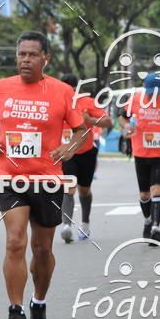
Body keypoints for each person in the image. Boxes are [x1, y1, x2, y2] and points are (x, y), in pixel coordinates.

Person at [0, 32, 87, 319]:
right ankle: (15, 311)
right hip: (9, 177)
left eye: (33, 54)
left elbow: (80, 130)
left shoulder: (61, 91)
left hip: (47, 179)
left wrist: (68, 148)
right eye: (22, 54)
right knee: (15, 242)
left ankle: (38, 303)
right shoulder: (2, 87)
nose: (26, 60)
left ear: (46, 58)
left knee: (42, 249)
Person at [119, 73, 160, 243]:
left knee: (157, 191)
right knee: (145, 194)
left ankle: (155, 228)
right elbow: (122, 116)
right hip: (141, 153)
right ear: (144, 88)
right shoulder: (135, 100)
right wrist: (126, 127)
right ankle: (147, 220)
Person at [59, 74, 113, 242]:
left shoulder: (87, 102)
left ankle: (85, 224)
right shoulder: (57, 103)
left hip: (87, 152)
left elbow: (109, 122)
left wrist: (90, 119)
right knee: (69, 188)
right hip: (68, 152)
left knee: (84, 190)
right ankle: (66, 226)